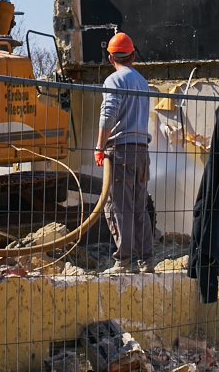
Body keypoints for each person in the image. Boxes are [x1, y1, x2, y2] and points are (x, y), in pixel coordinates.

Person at [95, 31, 156, 273]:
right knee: (139, 206)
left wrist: (100, 147)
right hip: (142, 152)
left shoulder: (114, 80)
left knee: (118, 207)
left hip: (121, 152)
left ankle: (124, 261)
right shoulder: (142, 82)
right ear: (132, 55)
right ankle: (147, 260)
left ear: (111, 58)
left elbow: (108, 114)